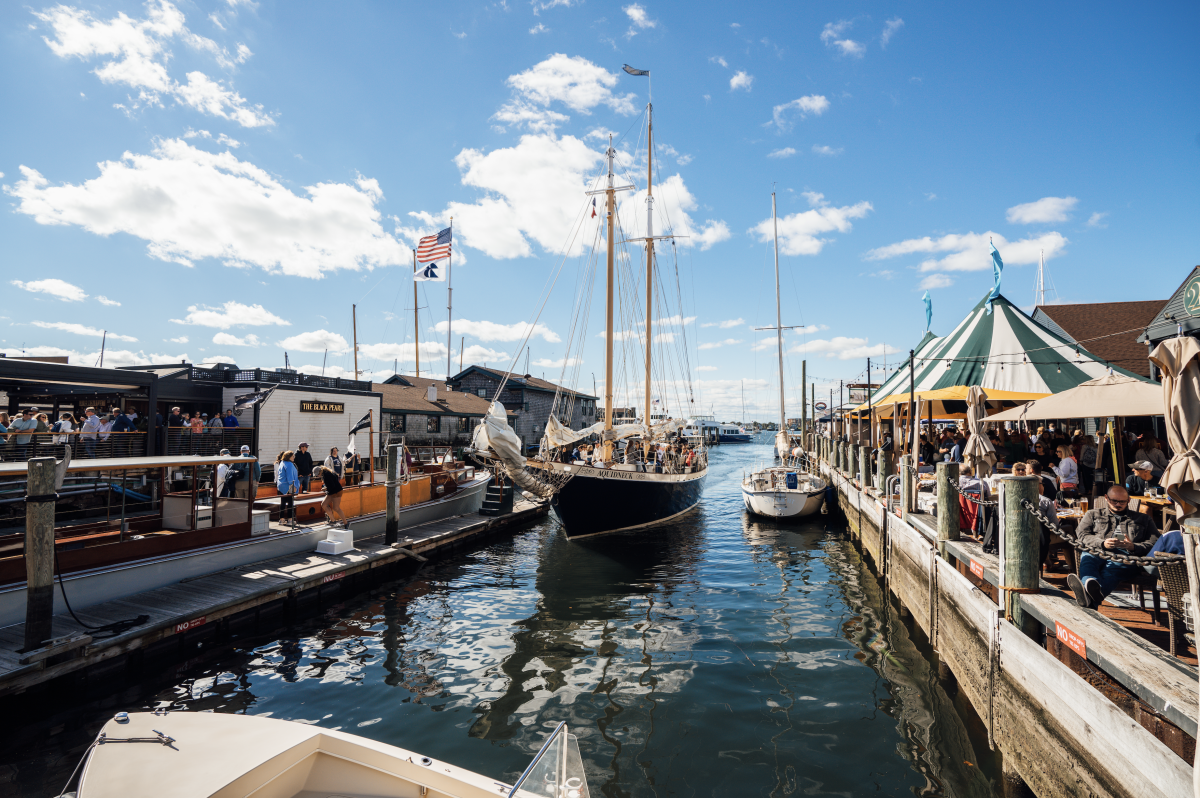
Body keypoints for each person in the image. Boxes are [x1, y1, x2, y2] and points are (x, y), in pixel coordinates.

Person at [1066, 486, 1160, 610]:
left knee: (1114, 569)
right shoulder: (1093, 514)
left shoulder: (1143, 519)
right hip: (1097, 550)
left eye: (1122, 501)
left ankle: (1090, 596)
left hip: (1126, 555)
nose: (1118, 504)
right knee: (1088, 558)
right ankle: (1090, 583)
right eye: (1114, 501)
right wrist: (1102, 543)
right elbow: (1081, 535)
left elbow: (1155, 541)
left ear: (1129, 500)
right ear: (1106, 498)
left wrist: (1133, 546)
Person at [276, 450, 301, 525]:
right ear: (289, 457)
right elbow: (290, 476)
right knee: (290, 503)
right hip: (288, 486)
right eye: (293, 456)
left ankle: (281, 519)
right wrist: (292, 485)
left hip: (281, 485)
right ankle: (290, 520)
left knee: (283, 503)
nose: (294, 457)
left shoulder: (282, 463)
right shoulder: (289, 465)